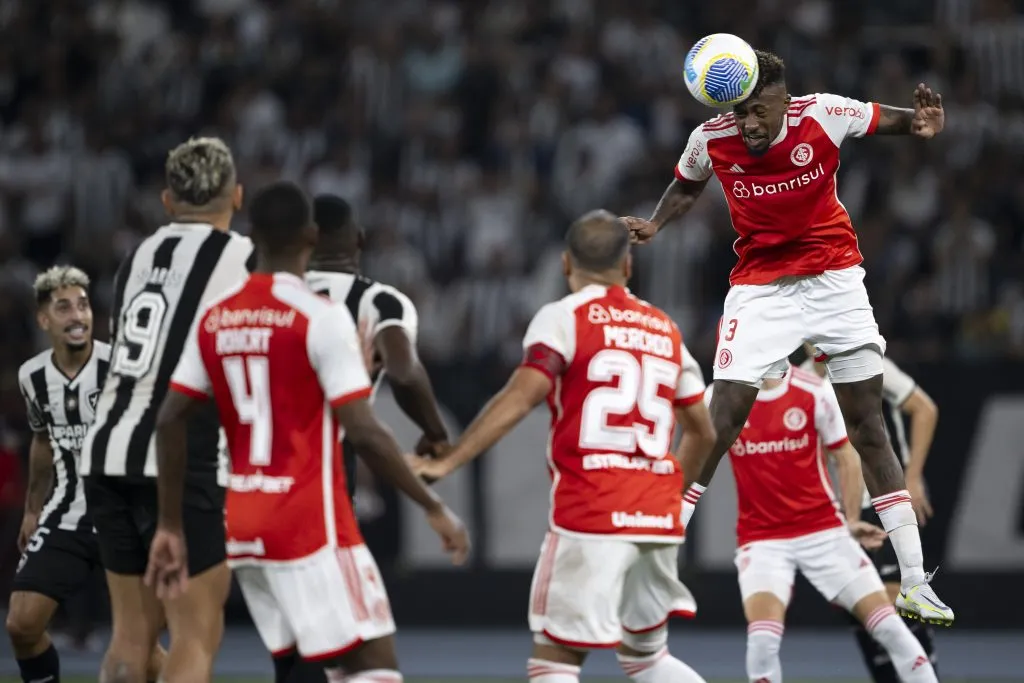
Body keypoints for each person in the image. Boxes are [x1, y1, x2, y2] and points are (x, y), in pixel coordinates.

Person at [624, 49, 952, 624]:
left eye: (761, 112)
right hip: (761, 291)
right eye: (742, 112)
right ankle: (656, 568)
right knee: (721, 416)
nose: (750, 124)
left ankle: (914, 582)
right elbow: (685, 186)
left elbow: (895, 120)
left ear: (784, 99)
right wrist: (655, 222)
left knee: (868, 428)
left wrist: (921, 123)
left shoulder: (823, 113)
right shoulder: (711, 137)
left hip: (835, 282)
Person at [144, 180, 470, 683]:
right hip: (309, 502)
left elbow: (170, 418)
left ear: (253, 236)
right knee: (373, 661)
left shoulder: (217, 313)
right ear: (312, 237)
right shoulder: (334, 311)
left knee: (299, 660)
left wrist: (169, 523)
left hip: (241, 508)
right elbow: (374, 415)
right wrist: (434, 503)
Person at [411, 210, 716, 683]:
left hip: (591, 511)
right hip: (655, 518)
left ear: (565, 264)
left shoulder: (564, 318)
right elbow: (703, 431)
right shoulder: (665, 329)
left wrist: (450, 458)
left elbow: (521, 395)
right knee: (647, 659)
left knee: (554, 663)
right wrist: (669, 503)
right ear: (628, 267)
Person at [79, 137, 255, 683]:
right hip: (181, 459)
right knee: (194, 637)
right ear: (238, 196)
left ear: (167, 201)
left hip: (107, 450)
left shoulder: (138, 256)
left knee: (131, 640)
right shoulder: (244, 259)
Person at [703, 362, 938, 683]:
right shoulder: (719, 397)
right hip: (762, 539)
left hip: (824, 531)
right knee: (762, 642)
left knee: (890, 628)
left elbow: (846, 456)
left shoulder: (814, 390)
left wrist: (850, 520)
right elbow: (691, 444)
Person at [7, 266, 165, 683]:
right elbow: (42, 440)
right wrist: (31, 509)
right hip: (68, 513)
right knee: (21, 625)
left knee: (141, 654)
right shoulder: (32, 376)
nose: (78, 315)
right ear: (44, 319)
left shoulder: (122, 365)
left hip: (128, 516)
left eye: (83, 305)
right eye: (64, 307)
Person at [797, 344, 941, 681]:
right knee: (863, 611)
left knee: (895, 603)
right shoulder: (802, 381)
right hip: (845, 509)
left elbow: (924, 409)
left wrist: (914, 476)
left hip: (887, 501)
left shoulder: (866, 362)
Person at [305, 194, 449, 501]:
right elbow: (404, 372)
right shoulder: (379, 302)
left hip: (244, 471)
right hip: (324, 473)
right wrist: (435, 432)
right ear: (359, 239)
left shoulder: (261, 296)